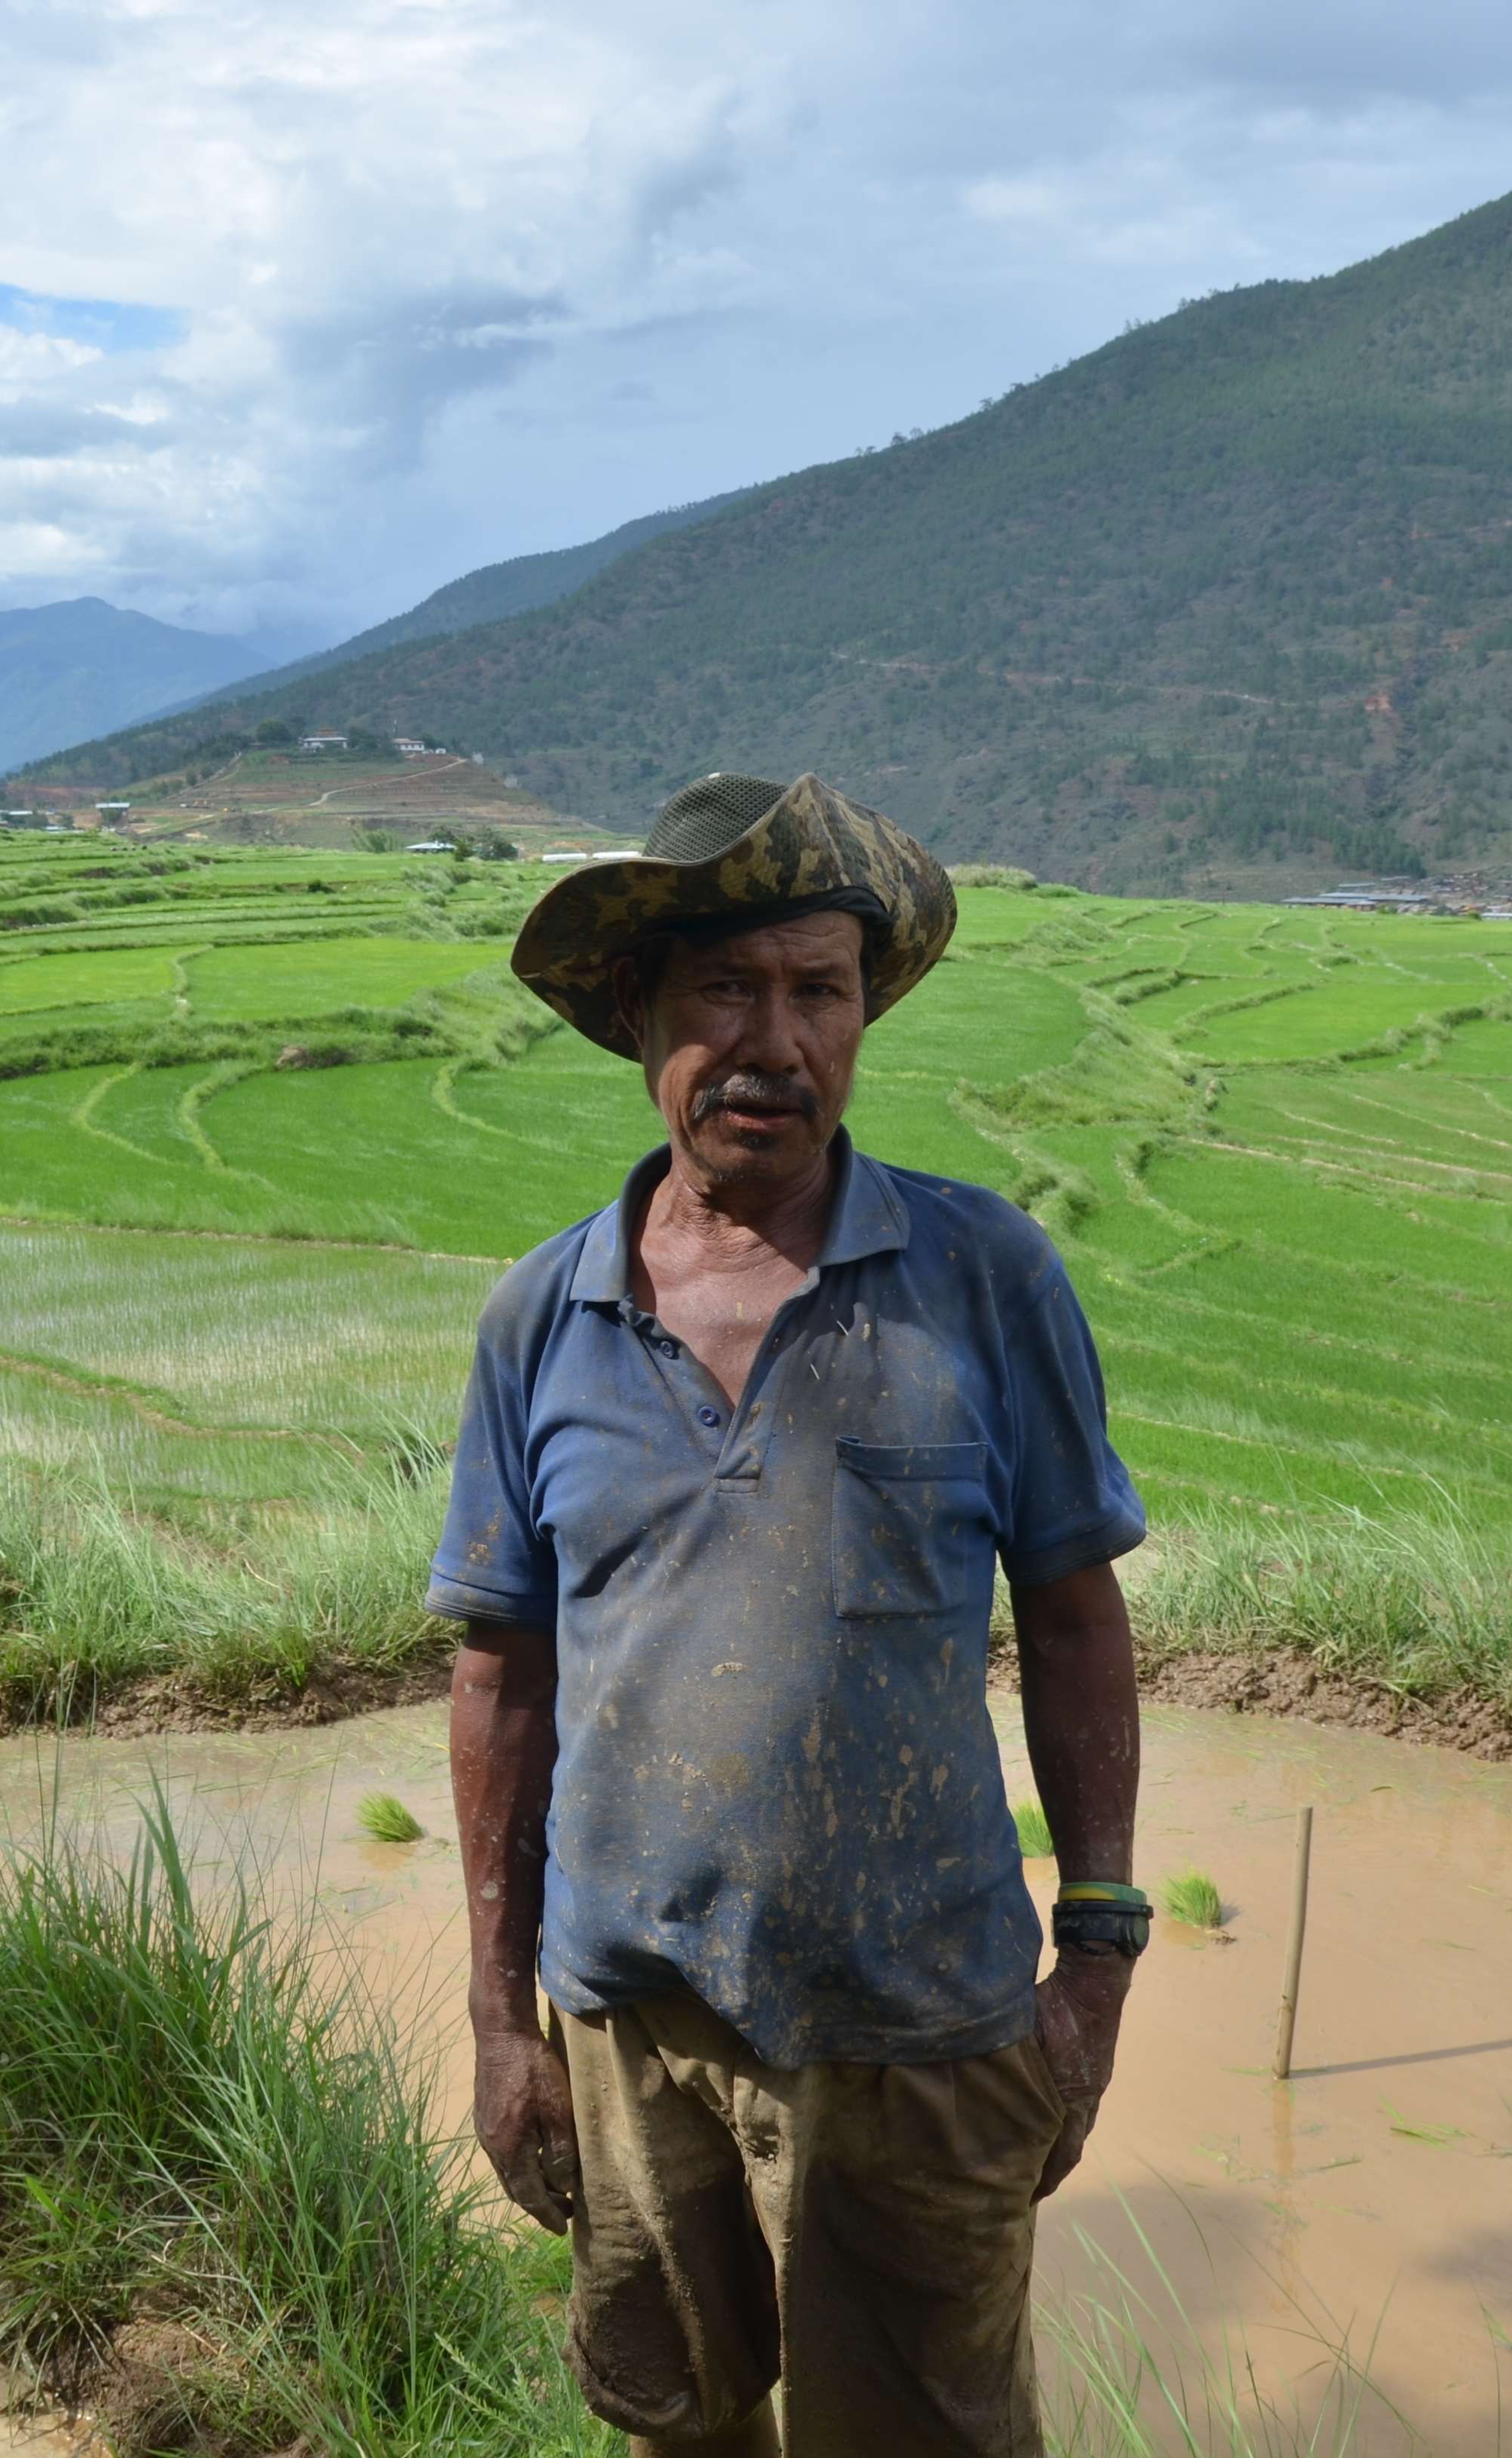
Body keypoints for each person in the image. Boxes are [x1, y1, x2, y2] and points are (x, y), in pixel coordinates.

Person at [431, 773, 1152, 2458]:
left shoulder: (983, 1277)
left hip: (923, 2037)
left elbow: (1071, 1619)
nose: (773, 1040)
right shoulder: (542, 1315)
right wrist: (497, 2028)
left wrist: (1098, 1954)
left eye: (816, 991)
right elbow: (502, 1679)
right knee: (677, 2429)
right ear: (638, 1014)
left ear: (860, 1015)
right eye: (723, 991)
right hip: (629, 2037)